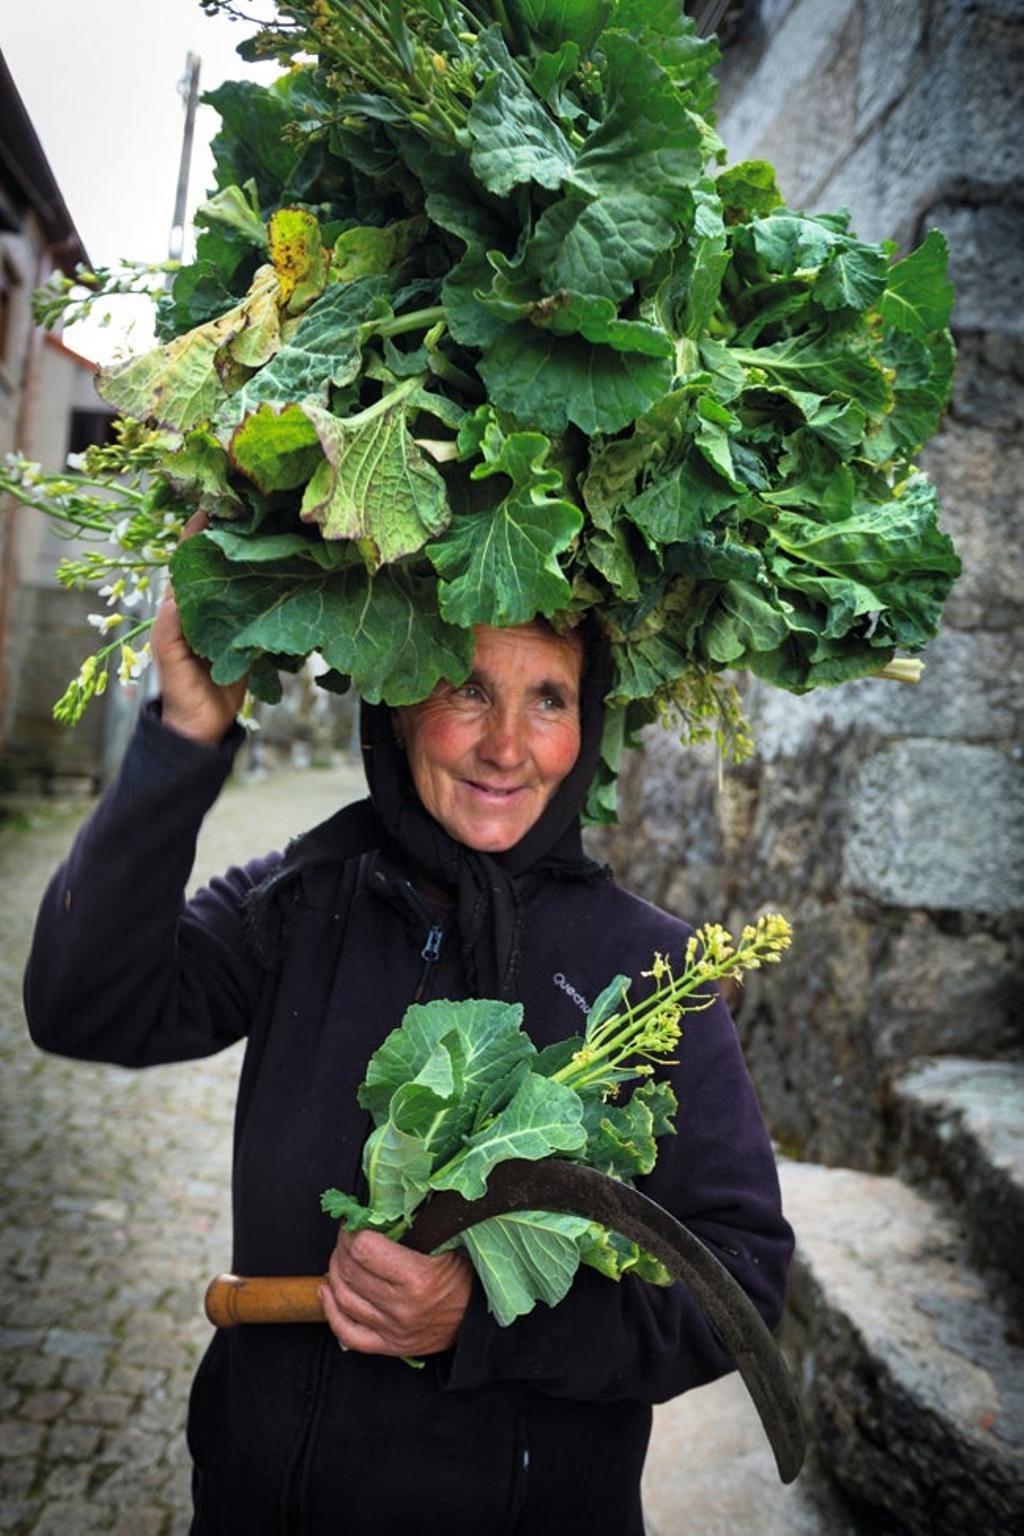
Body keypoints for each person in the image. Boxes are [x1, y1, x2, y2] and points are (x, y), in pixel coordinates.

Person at [24, 560, 793, 1535]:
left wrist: (485, 1321)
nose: (507, 746)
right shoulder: (303, 899)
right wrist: (183, 740)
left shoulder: (652, 975)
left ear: (588, 723)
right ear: (395, 703)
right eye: (467, 688)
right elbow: (85, 1006)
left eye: (547, 697)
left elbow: (741, 1277)